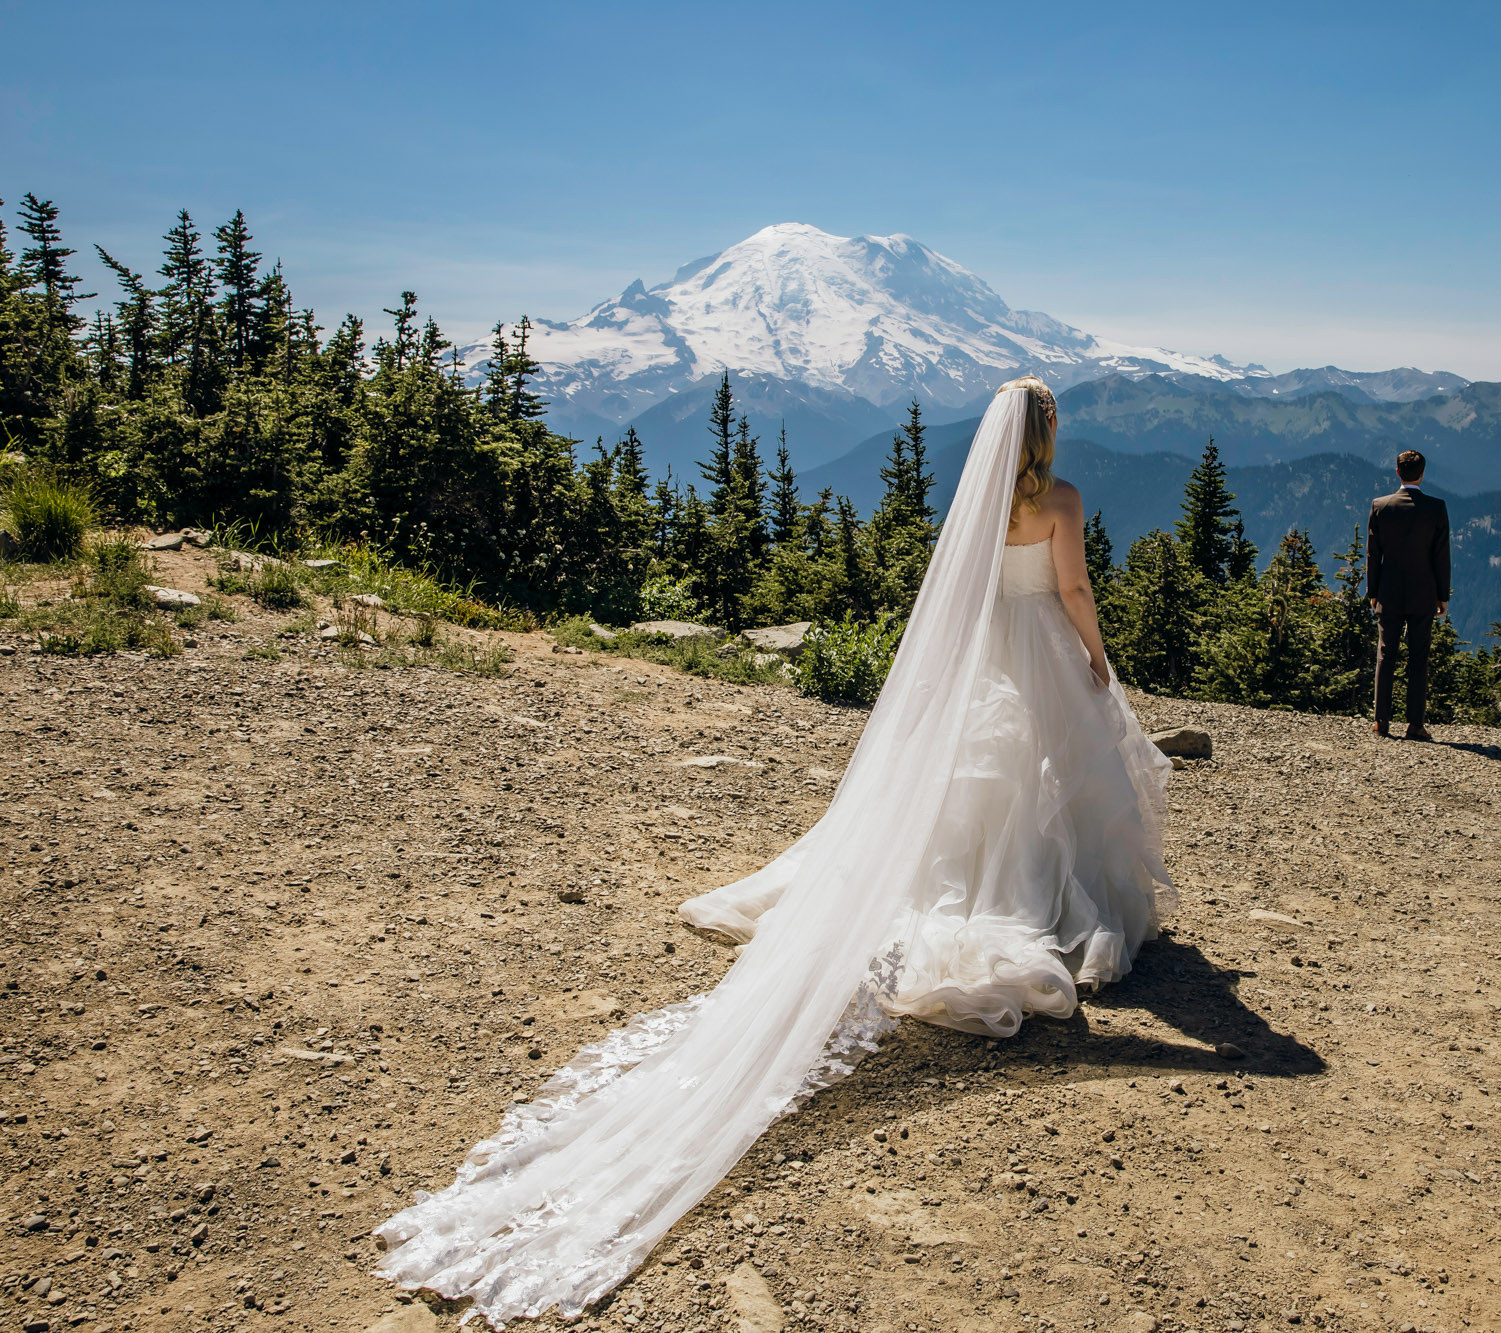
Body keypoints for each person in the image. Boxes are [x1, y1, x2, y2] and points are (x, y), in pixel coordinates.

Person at [373, 377, 1175, 1326]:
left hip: (985, 661)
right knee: (1051, 783)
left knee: (978, 787)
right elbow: (1075, 585)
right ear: (1048, 431)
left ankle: (968, 888)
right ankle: (1035, 899)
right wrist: (1096, 656)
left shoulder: (979, 503)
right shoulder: (1062, 503)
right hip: (1040, 646)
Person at [1366, 448, 1451, 741]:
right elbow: (1441, 556)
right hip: (1423, 592)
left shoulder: (1380, 506)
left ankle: (1381, 722)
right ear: (1423, 473)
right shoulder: (1436, 508)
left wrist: (1372, 592)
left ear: (1398, 472)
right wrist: (1442, 595)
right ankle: (1415, 724)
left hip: (1388, 591)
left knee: (1385, 654)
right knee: (1418, 657)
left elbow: (1373, 554)